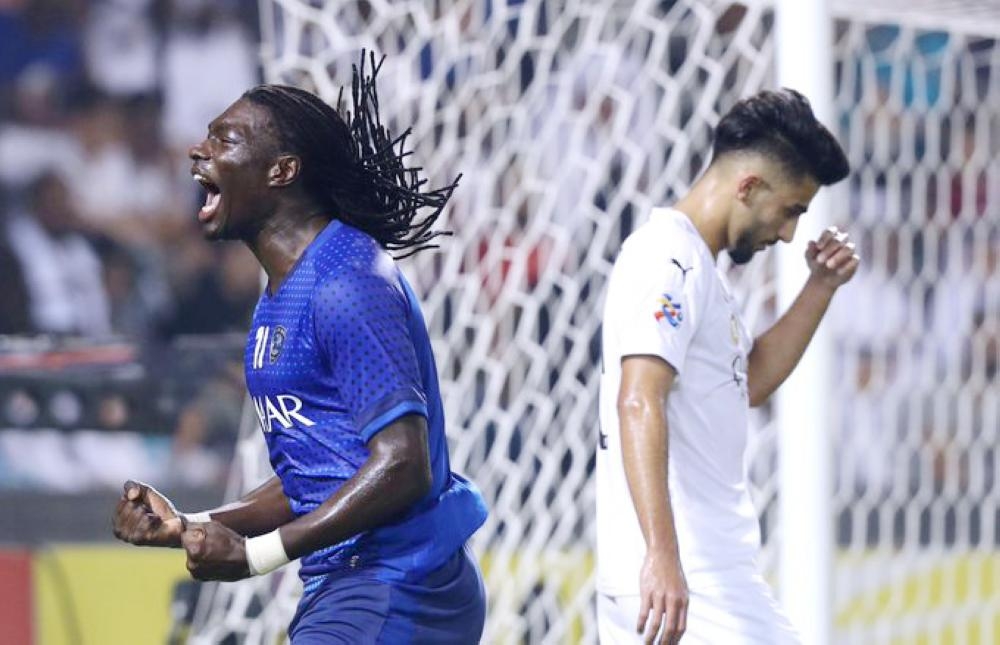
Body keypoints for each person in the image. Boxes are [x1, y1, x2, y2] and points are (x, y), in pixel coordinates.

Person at [111, 54, 489, 644]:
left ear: (282, 170)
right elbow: (313, 477)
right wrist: (188, 524)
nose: (197, 150)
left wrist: (256, 556)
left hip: (400, 582)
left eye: (224, 139)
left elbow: (404, 463)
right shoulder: (282, 295)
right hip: (354, 585)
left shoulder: (347, 281)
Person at [595, 89, 858, 645]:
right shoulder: (666, 259)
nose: (788, 234)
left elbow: (749, 382)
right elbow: (638, 398)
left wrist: (820, 286)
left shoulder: (699, 268)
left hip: (701, 579)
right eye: (791, 210)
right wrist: (661, 557)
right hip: (689, 582)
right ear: (749, 187)